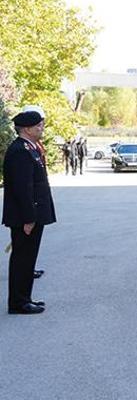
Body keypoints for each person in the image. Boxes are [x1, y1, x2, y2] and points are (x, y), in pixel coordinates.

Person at [3, 105, 55, 314]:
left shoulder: (29, 148)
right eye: (38, 125)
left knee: (27, 259)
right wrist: (29, 218)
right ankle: (18, 302)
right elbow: (23, 189)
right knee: (22, 259)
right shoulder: (19, 151)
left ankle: (25, 298)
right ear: (26, 129)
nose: (42, 128)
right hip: (26, 216)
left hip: (32, 214)